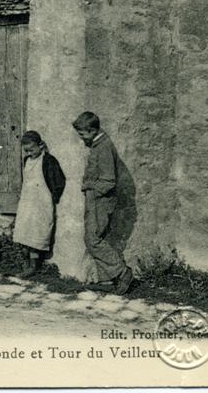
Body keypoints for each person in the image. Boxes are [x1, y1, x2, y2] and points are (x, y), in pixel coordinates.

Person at [73, 111, 133, 295]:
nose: (81, 139)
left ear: (91, 131)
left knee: (92, 239)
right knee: (100, 237)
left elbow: (108, 181)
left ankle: (122, 272)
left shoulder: (104, 148)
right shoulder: (98, 145)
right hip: (96, 200)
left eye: (83, 134)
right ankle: (107, 281)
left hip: (100, 201)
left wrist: (90, 188)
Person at [13, 130, 66, 277]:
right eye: (26, 151)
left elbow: (59, 181)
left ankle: (33, 266)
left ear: (40, 145)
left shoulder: (48, 161)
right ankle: (26, 263)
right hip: (27, 202)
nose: (29, 153)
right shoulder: (26, 161)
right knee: (24, 232)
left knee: (36, 234)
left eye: (31, 149)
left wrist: (54, 197)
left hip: (41, 203)